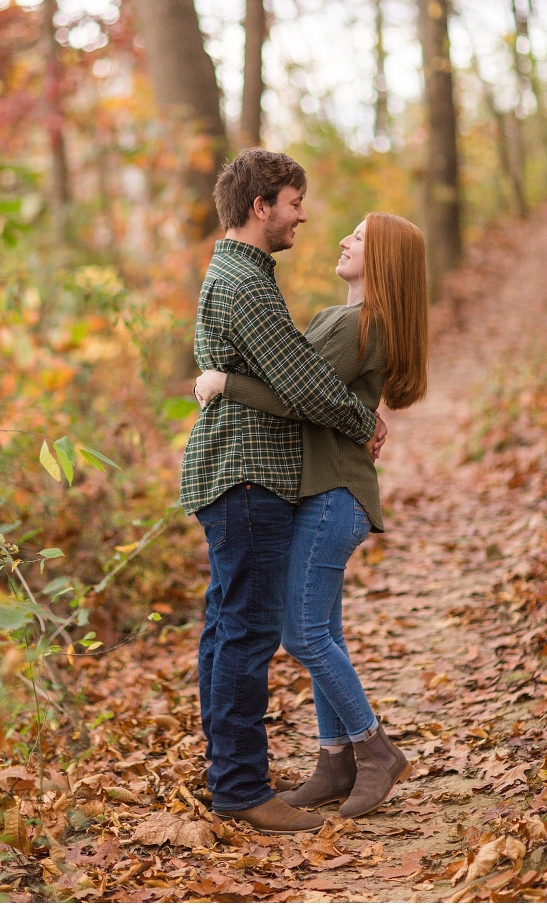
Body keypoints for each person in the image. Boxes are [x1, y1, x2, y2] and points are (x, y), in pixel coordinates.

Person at [180, 148, 387, 836]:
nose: (304, 215)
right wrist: (364, 419)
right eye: (294, 202)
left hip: (238, 474)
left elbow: (291, 372)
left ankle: (230, 776)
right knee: (245, 633)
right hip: (247, 475)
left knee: (227, 627)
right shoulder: (246, 285)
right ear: (260, 205)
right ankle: (240, 786)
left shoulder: (241, 276)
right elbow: (301, 382)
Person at [195, 211, 428, 818]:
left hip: (332, 497)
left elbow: (295, 394)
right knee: (326, 632)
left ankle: (374, 750)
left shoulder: (357, 325)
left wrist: (224, 382)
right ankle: (335, 760)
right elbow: (310, 387)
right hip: (329, 494)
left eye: (361, 236)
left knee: (302, 633)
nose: (345, 238)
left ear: (383, 262)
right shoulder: (347, 319)